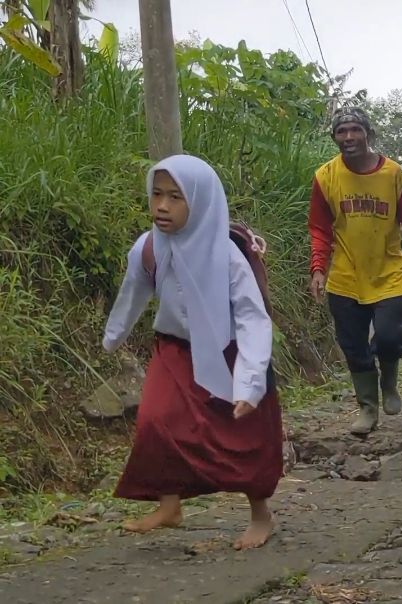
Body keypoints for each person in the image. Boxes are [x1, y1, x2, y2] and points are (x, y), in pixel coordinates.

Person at [102, 154, 282, 550]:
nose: (162, 206)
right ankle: (169, 506)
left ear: (200, 202)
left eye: (175, 197)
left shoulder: (228, 256)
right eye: (157, 194)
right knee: (155, 420)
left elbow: (252, 318)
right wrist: (113, 336)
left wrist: (250, 382)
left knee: (244, 437)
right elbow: (133, 292)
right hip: (174, 350)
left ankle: (260, 513)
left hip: (229, 352)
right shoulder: (148, 247)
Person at [308, 107, 402, 436]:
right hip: (345, 277)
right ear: (334, 137)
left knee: (391, 334)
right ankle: (368, 407)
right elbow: (319, 229)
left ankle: (390, 381)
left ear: (368, 133)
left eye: (355, 129)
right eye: (342, 131)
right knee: (353, 345)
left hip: (388, 275)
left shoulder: (393, 174)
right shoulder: (325, 176)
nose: (349, 137)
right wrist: (318, 268)